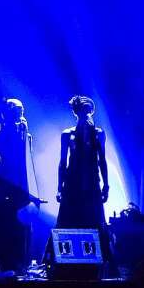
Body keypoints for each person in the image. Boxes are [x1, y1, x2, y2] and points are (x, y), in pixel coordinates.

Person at [0, 98, 33, 273]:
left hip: (22, 184)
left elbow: (28, 161)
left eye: (22, 110)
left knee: (22, 223)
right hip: (4, 183)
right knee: (4, 221)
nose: (21, 114)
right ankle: (2, 261)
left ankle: (21, 262)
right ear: (8, 113)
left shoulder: (25, 135)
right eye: (17, 110)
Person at [57, 96, 110, 230]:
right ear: (77, 113)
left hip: (92, 182)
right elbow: (62, 162)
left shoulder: (98, 134)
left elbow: (102, 160)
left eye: (88, 111)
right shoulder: (67, 134)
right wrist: (59, 188)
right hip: (72, 183)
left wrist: (106, 185)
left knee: (94, 222)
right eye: (83, 111)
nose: (86, 114)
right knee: (68, 222)